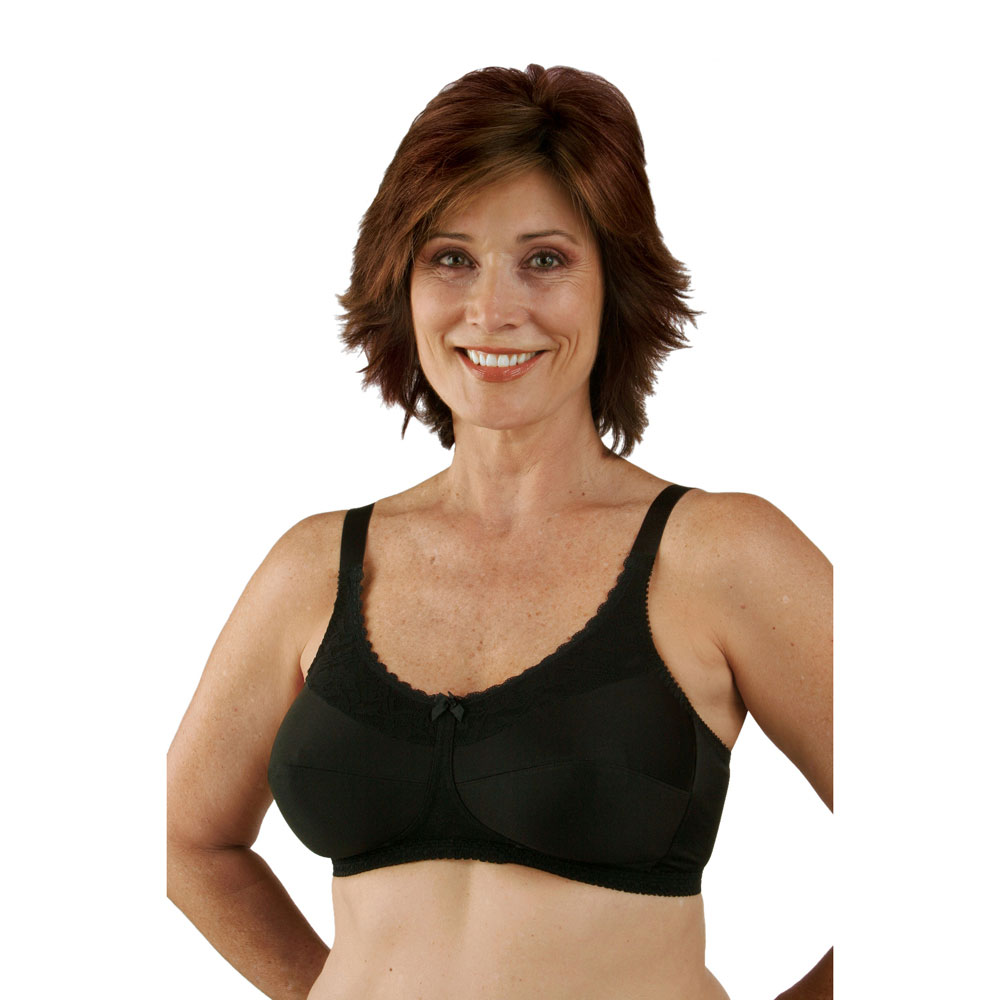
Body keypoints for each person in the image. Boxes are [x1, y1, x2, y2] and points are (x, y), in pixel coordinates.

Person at [167, 64, 832, 1000]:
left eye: (545, 260)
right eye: (451, 258)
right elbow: (186, 842)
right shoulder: (316, 568)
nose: (492, 310)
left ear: (614, 283)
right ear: (401, 283)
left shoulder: (720, 556)